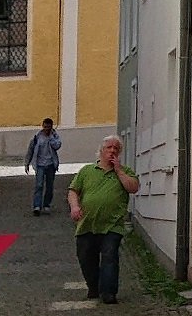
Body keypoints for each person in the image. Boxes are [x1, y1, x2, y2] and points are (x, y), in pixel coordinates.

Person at [70, 135, 140, 304]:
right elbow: (73, 191)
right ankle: (94, 287)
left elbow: (133, 188)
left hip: (112, 225)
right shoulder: (87, 171)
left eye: (116, 148)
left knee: (110, 257)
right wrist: (75, 207)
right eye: (109, 147)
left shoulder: (125, 172)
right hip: (87, 224)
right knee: (86, 258)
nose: (112, 151)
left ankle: (109, 292)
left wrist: (119, 171)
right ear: (101, 151)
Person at [26, 119, 63, 215]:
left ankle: (46, 205)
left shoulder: (54, 136)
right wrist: (27, 163)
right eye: (45, 127)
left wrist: (51, 137)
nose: (46, 129)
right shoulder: (37, 137)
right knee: (39, 185)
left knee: (49, 186)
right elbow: (31, 150)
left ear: (51, 127)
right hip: (40, 165)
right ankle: (37, 206)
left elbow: (57, 146)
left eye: (49, 127)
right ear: (42, 126)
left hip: (51, 164)